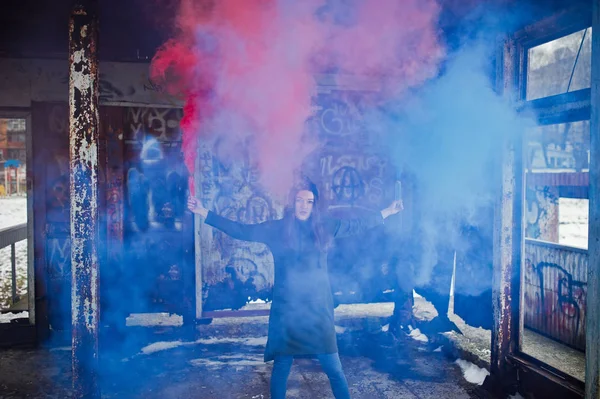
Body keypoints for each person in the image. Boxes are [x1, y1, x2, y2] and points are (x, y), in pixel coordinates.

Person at [187, 178, 403, 399]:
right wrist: (204, 211)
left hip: (318, 310)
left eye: (309, 201)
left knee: (334, 369)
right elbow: (241, 230)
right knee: (282, 366)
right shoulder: (276, 229)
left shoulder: (325, 226)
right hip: (287, 310)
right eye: (299, 200)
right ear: (292, 202)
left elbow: (357, 224)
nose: (304, 205)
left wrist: (387, 211)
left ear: (314, 204)